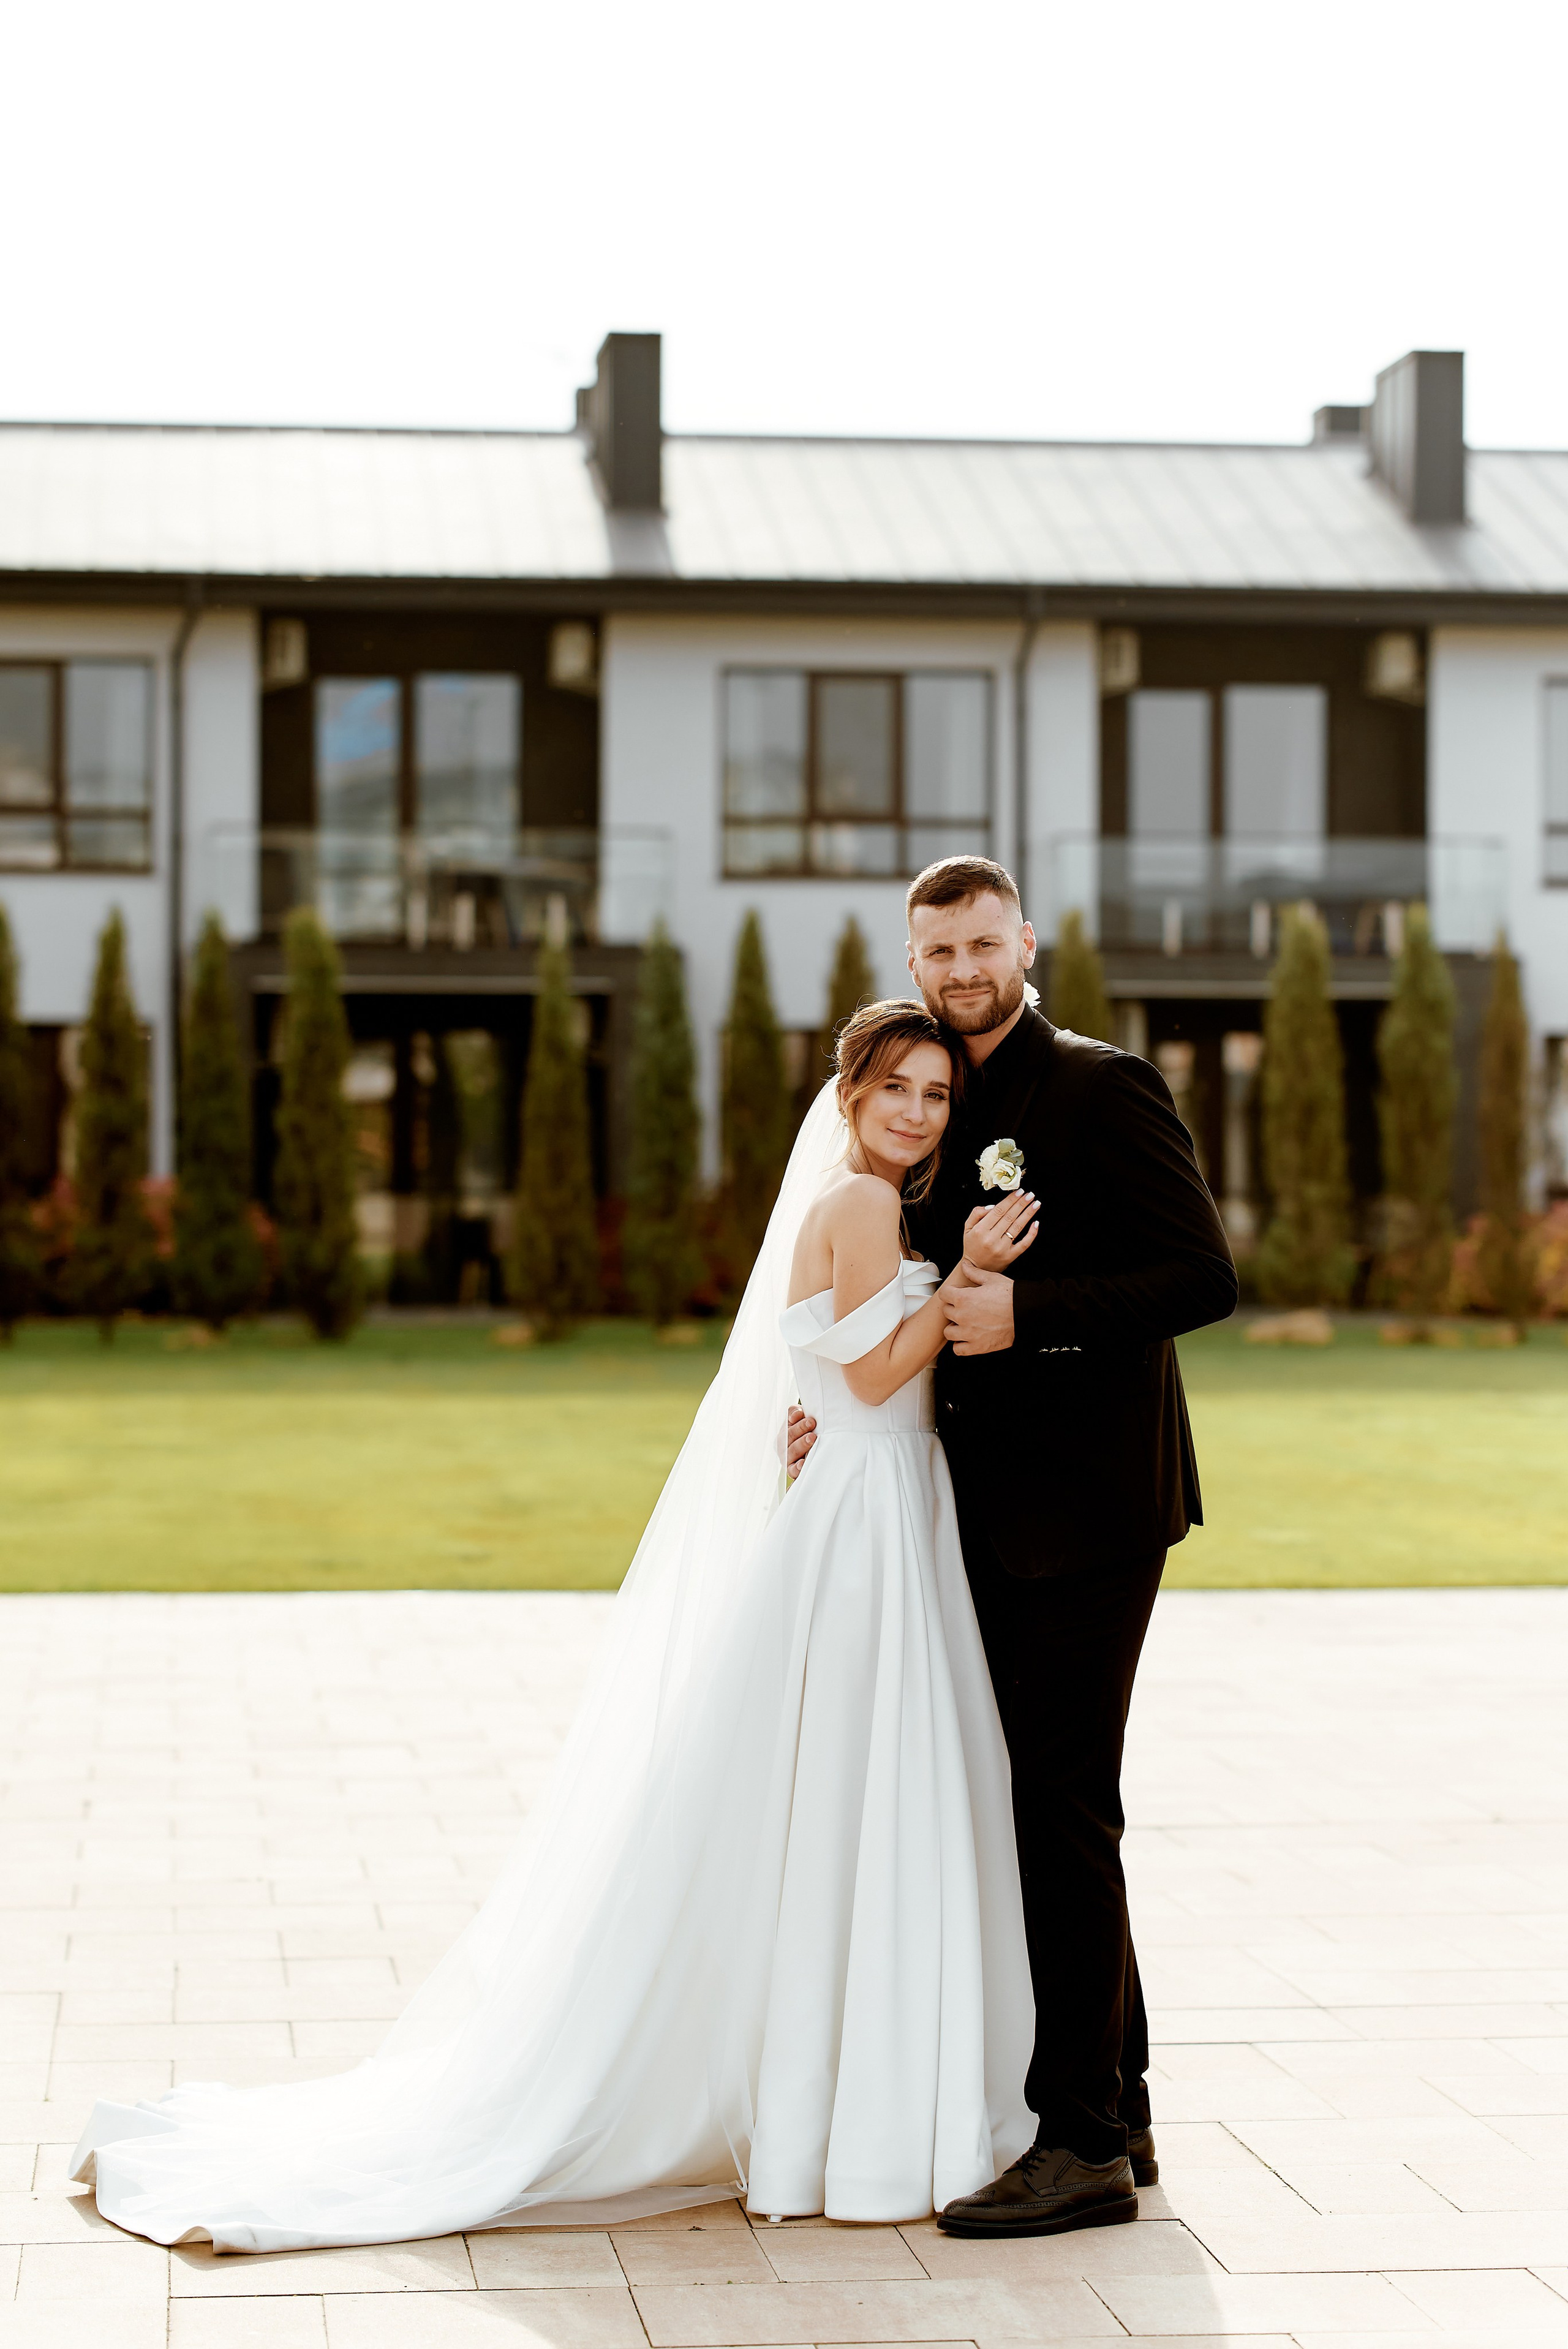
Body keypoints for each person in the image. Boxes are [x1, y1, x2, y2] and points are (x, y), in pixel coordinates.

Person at [70, 999, 1045, 2250]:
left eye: (935, 1094)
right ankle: (853, 2107)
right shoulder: (859, 1207)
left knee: (839, 1809)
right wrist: (968, 1278)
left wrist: (931, 1291)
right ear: (849, 1095)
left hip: (871, 1507)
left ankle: (839, 2096)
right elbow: (865, 1380)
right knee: (860, 1798)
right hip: (863, 1529)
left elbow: (837, 1376)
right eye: (895, 1087)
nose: (917, 1109)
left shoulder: (873, 1209)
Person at [789, 857, 1238, 2239]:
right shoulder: (934, 1104)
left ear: (1024, 942)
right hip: (964, 1513)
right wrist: (824, 1402)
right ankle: (1127, 2103)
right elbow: (878, 1298)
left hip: (1091, 1508)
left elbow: (1198, 1276)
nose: (962, 969)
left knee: (1057, 1803)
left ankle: (1081, 2144)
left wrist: (1025, 1312)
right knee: (1049, 1800)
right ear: (914, 959)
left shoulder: (1101, 1086)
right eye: (938, 951)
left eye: (982, 943)